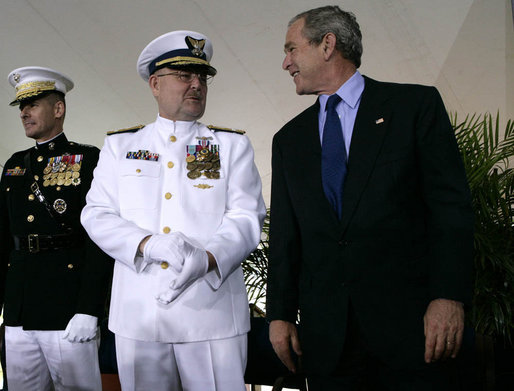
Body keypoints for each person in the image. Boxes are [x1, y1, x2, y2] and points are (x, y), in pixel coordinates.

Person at [266, 6, 474, 390]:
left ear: (327, 44)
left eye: (292, 49)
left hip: (413, 333)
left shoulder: (414, 108)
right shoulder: (288, 141)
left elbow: (451, 211)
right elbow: (284, 236)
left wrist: (448, 296)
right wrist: (279, 314)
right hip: (329, 341)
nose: (285, 63)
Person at [80, 30, 266, 391]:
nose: (196, 84)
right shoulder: (121, 145)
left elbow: (246, 215)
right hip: (139, 316)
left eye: (202, 77)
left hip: (212, 316)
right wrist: (146, 244)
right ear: (154, 84)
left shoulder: (230, 145)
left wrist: (210, 257)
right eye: (184, 75)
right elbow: (96, 213)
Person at [0, 66, 113, 391]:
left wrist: (88, 310)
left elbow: (98, 241)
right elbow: (3, 240)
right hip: (19, 308)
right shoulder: (15, 164)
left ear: (58, 108)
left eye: (33, 104)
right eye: (22, 106)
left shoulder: (87, 159)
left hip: (67, 308)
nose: (24, 112)